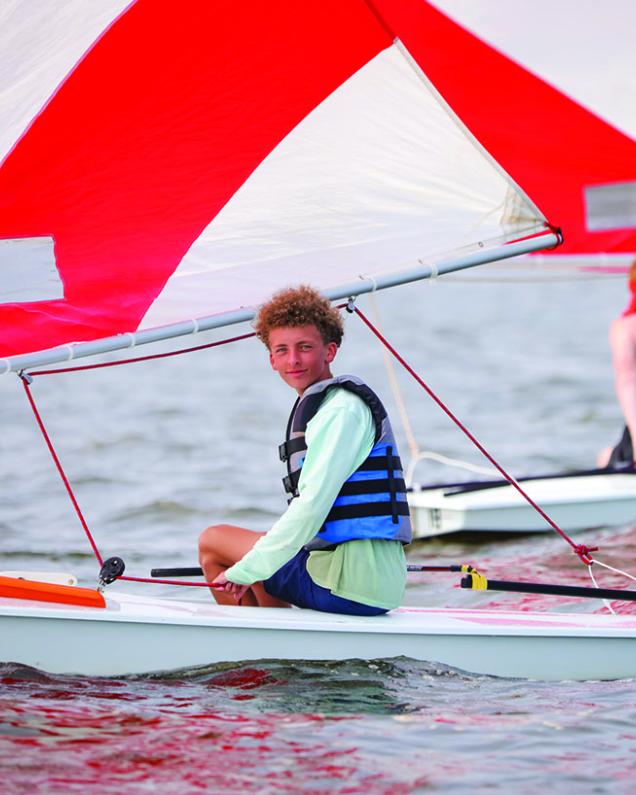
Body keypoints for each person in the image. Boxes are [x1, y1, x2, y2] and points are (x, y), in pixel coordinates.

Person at [198, 285, 412, 615]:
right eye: (282, 350)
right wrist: (254, 565)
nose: (294, 360)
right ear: (271, 359)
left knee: (213, 542)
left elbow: (311, 507)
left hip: (350, 586)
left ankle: (259, 639)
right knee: (262, 552)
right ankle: (276, 635)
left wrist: (243, 571)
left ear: (330, 351)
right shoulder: (332, 405)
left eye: (305, 347)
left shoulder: (340, 412)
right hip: (368, 582)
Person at [598, 260, 636, 468]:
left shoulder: (625, 327)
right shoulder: (627, 328)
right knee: (606, 457)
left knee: (606, 459)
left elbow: (627, 381)